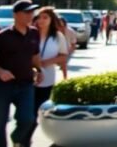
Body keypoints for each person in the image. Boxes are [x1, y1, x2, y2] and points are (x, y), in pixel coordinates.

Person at [0, 0, 43, 147]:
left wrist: (38, 70)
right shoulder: (2, 36)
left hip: (26, 84)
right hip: (3, 86)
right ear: (15, 15)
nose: (30, 15)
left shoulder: (34, 33)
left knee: (28, 119)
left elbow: (34, 55)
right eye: (26, 12)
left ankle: (17, 137)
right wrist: (0, 71)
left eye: (32, 12)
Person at [26, 8, 69, 144]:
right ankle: (21, 137)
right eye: (39, 17)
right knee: (24, 114)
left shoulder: (57, 36)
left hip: (46, 79)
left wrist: (47, 62)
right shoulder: (29, 34)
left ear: (51, 20)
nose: (41, 21)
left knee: (35, 113)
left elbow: (63, 55)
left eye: (45, 18)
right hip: (26, 78)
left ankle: (24, 139)